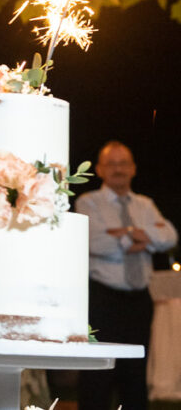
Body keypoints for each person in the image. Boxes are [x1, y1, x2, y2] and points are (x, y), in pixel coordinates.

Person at [76, 141, 177, 410]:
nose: (118, 169)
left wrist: (123, 233)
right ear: (99, 169)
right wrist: (140, 237)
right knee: (97, 375)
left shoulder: (145, 204)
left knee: (135, 374)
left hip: (140, 300)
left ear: (133, 169)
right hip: (102, 299)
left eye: (123, 164)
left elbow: (169, 236)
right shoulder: (88, 202)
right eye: (111, 164)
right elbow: (94, 242)